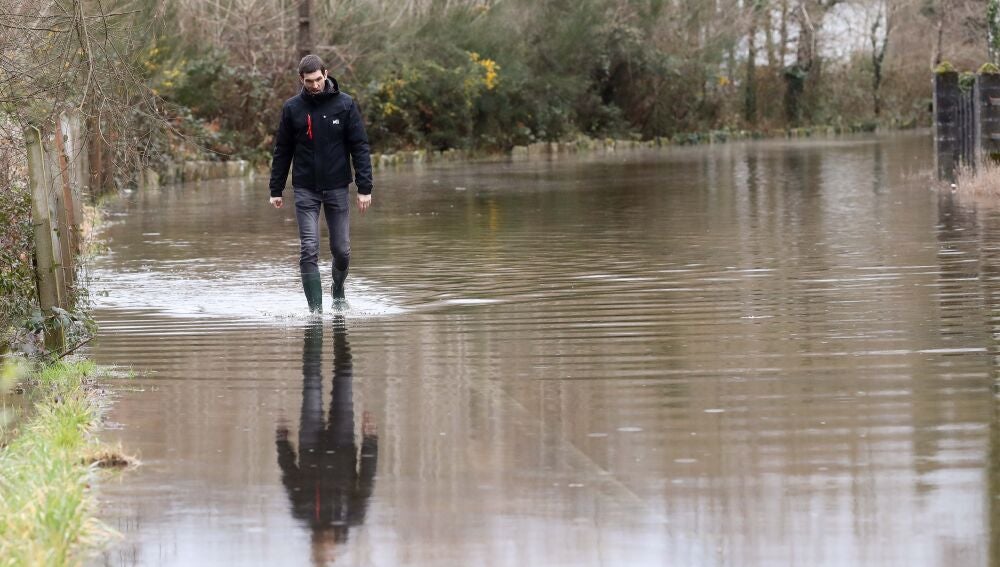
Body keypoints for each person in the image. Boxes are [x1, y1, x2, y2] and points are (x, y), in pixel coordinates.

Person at [269, 54, 374, 313]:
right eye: (309, 81)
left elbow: (359, 146)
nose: (314, 85)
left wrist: (364, 188)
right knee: (309, 249)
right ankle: (315, 313)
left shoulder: (345, 104)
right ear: (301, 80)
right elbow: (282, 150)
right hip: (305, 188)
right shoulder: (292, 108)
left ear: (326, 74)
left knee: (342, 250)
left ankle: (338, 290)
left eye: (318, 79)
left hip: (338, 186)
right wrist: (276, 188)